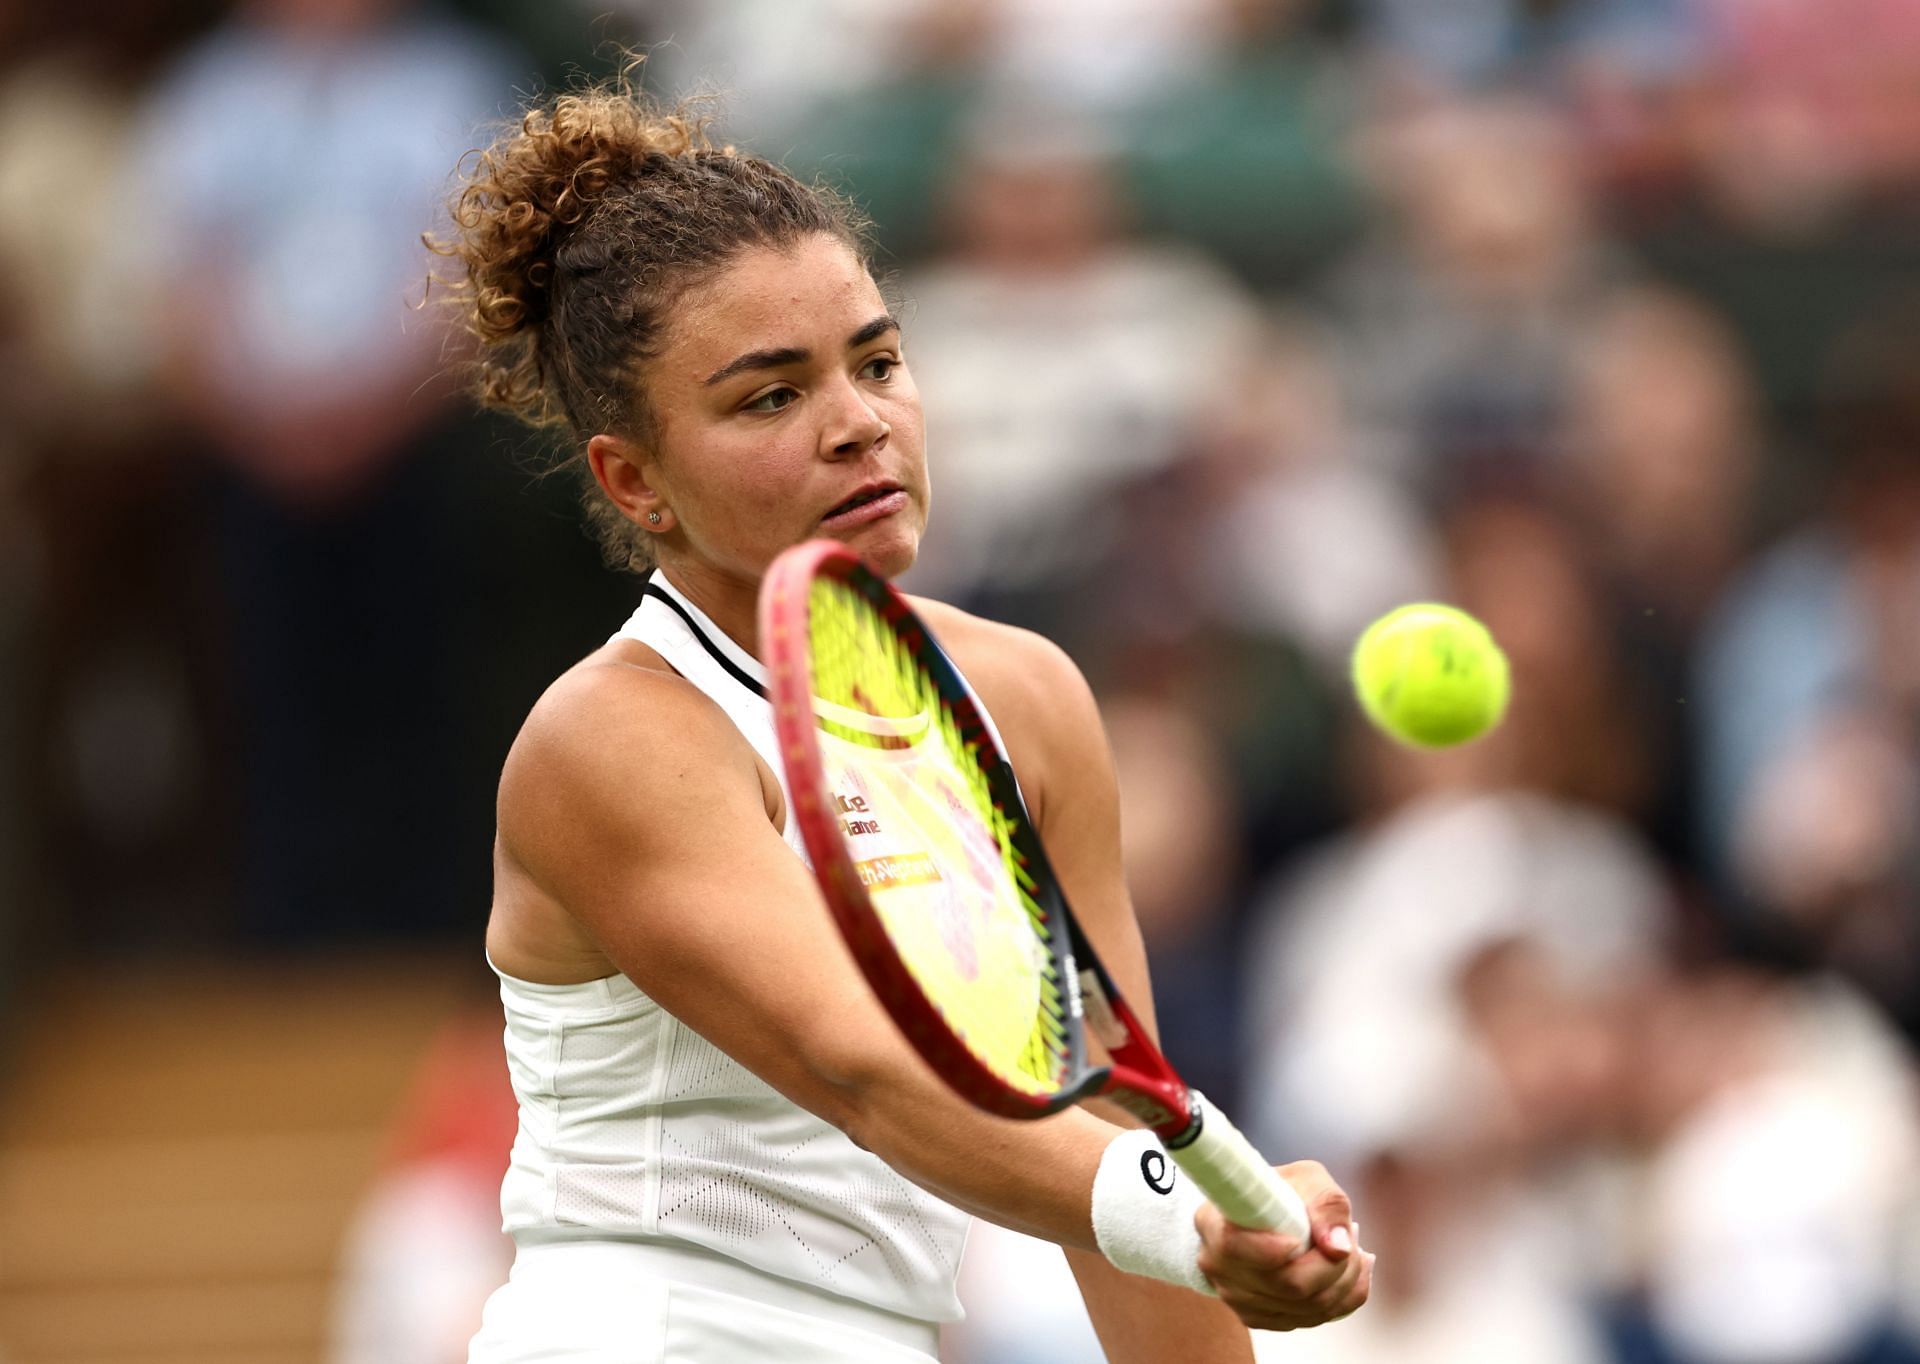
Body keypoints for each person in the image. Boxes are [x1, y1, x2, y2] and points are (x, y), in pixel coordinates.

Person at [434, 72, 1373, 1363]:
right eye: (771, 396)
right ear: (634, 480)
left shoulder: (1028, 704)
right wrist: (1194, 1224)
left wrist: (1213, 1238)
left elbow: (1111, 1115)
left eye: (877, 362)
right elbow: (862, 1069)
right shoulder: (613, 740)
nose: (859, 424)